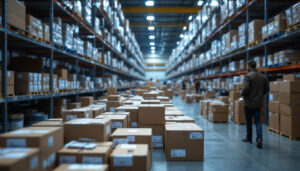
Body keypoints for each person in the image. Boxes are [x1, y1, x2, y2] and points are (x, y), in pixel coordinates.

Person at [241, 60, 269, 149]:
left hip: (248, 103)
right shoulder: (263, 77)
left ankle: (249, 138)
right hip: (258, 103)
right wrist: (260, 95)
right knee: (258, 122)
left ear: (249, 67)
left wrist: (242, 94)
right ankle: (259, 139)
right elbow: (267, 89)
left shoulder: (248, 76)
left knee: (249, 122)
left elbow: (246, 88)